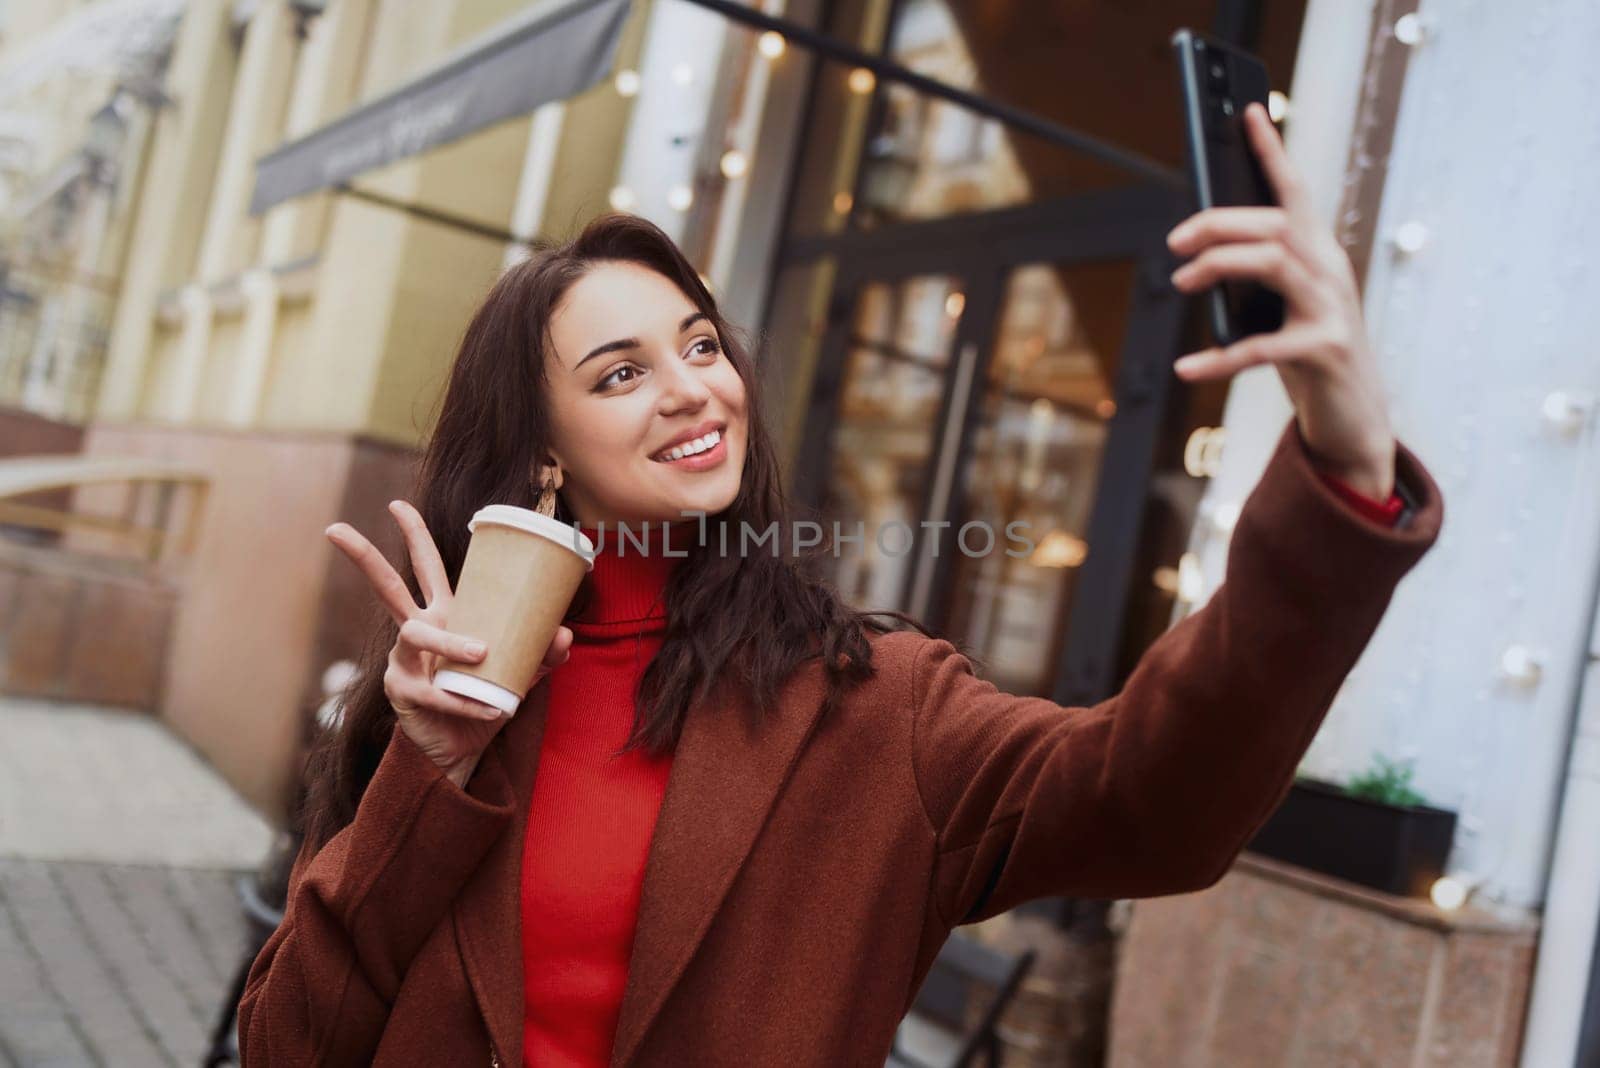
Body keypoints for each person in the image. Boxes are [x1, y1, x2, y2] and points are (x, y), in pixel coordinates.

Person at [236, 103, 1442, 1067]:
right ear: (543, 449)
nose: (692, 388)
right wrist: (428, 769)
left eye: (701, 345)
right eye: (620, 375)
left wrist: (1339, 478)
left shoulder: (876, 707)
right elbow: (289, 1046)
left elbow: (1155, 802)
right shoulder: (452, 689)